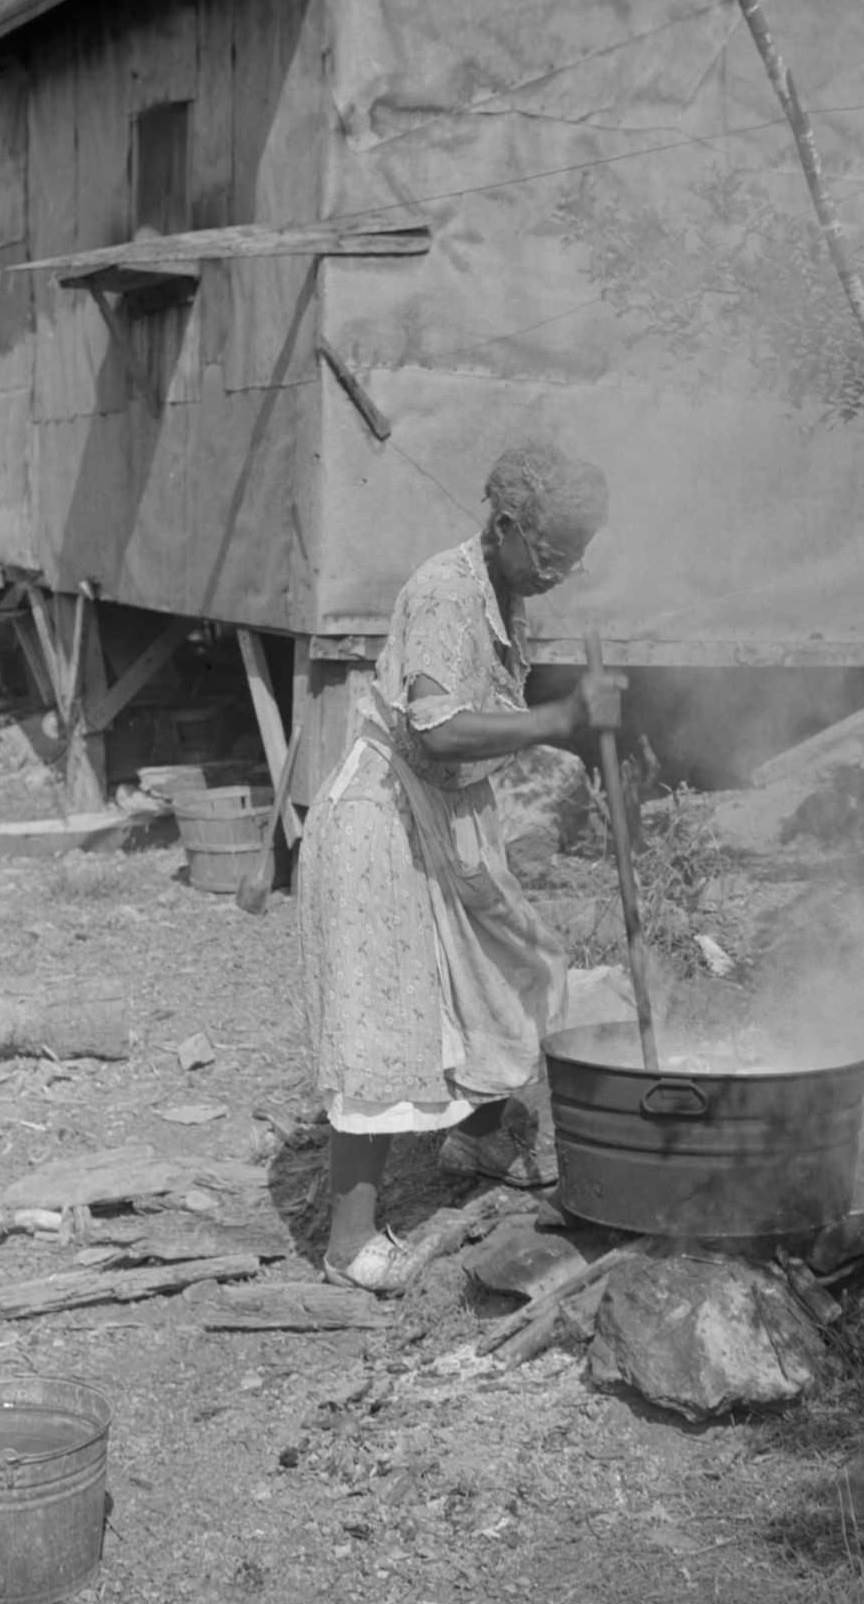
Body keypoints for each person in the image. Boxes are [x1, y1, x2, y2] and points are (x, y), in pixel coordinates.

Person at [298, 440, 622, 1294]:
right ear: (509, 527)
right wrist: (561, 718)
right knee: (387, 1016)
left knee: (506, 961)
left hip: (442, 814)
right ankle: (350, 1244)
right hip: (381, 822)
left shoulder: (504, 591)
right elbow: (438, 732)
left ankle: (477, 1136)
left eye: (576, 559)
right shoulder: (446, 592)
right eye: (554, 554)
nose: (563, 574)